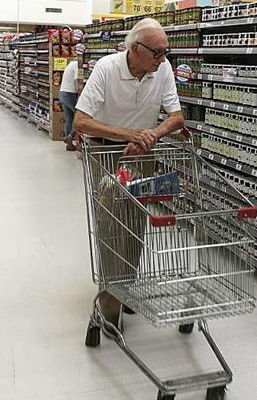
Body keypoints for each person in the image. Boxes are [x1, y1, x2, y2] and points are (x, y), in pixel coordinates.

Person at [73, 18, 184, 335]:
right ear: (136, 49)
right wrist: (128, 135)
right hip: (108, 155)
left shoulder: (161, 69)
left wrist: (151, 135)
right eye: (157, 52)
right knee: (111, 225)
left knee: (135, 222)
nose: (163, 58)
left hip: (141, 156)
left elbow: (176, 116)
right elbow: (81, 121)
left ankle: (127, 287)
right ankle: (110, 302)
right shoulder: (107, 68)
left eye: (166, 51)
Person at [58, 60, 82, 151]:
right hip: (69, 94)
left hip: (62, 93)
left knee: (69, 118)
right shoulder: (77, 64)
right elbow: (76, 79)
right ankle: (70, 136)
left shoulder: (70, 64)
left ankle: (69, 143)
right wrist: (79, 92)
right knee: (79, 117)